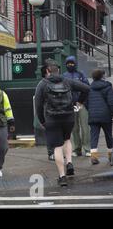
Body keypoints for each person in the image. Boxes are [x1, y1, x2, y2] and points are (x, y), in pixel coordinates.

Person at [35, 59, 90, 187]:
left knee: (57, 147)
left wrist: (42, 120)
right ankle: (69, 162)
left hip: (52, 119)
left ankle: (62, 176)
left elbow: (38, 105)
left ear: (47, 71)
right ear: (58, 70)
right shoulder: (67, 81)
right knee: (67, 140)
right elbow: (86, 88)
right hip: (69, 117)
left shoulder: (42, 84)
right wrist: (80, 102)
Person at [63, 56, 91, 157]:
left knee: (85, 127)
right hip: (71, 104)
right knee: (74, 128)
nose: (70, 65)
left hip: (81, 104)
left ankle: (87, 148)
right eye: (68, 63)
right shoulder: (64, 75)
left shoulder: (81, 74)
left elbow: (87, 87)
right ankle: (76, 149)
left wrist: (81, 101)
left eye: (72, 63)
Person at [86, 69, 113, 165]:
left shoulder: (89, 87)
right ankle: (111, 156)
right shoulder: (108, 87)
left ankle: (94, 157)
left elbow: (86, 102)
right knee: (108, 135)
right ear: (102, 76)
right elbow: (111, 102)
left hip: (93, 115)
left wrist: (91, 110)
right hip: (105, 115)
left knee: (94, 136)